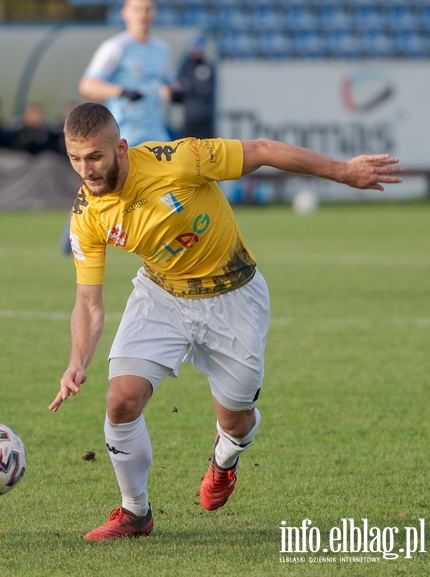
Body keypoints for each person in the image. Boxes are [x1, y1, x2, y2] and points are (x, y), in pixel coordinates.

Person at [50, 102, 402, 541]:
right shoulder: (86, 215)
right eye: (75, 158)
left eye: (95, 157)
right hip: (162, 295)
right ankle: (135, 512)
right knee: (120, 400)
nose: (86, 169)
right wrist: (77, 360)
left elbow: (263, 149)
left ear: (120, 148)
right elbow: (88, 301)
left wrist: (343, 172)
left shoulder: (178, 159)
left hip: (234, 296)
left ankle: (225, 459)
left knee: (235, 420)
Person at [79, 0, 176, 147]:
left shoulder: (162, 50)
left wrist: (176, 92)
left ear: (155, 12)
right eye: (137, 9)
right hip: (125, 138)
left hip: (157, 136)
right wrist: (121, 91)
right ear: (125, 13)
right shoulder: (115, 47)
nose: (143, 14)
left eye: (148, 9)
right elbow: (87, 85)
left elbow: (171, 85)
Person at [173, 36, 216, 139]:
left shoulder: (206, 66)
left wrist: (187, 87)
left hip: (205, 116)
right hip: (189, 116)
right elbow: (178, 90)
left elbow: (204, 89)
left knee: (209, 148)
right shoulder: (186, 66)